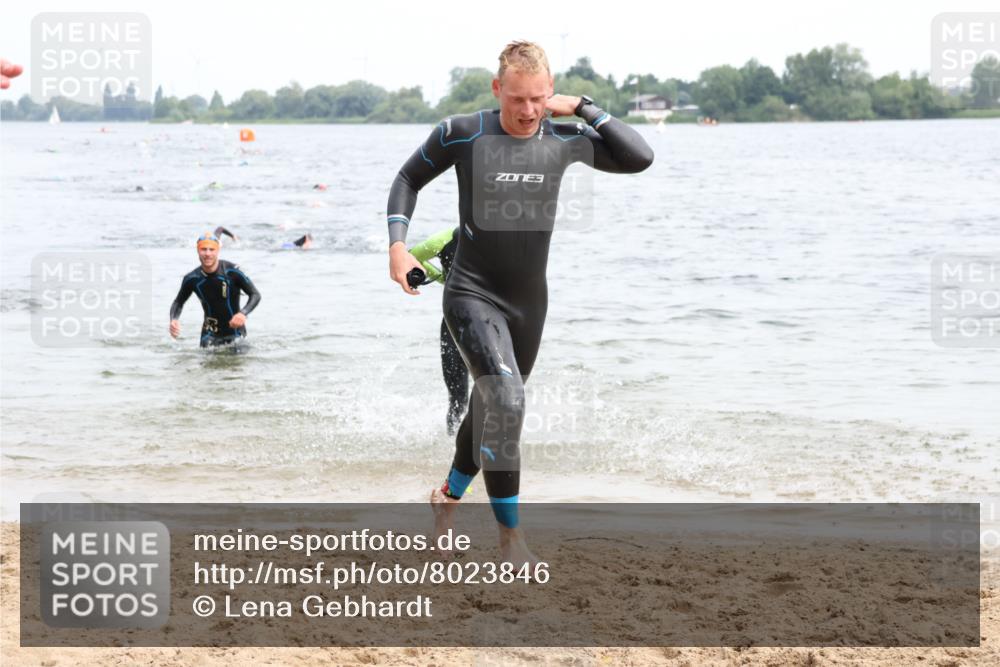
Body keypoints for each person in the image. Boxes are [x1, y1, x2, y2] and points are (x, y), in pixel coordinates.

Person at [385, 41, 653, 564]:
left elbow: (638, 157)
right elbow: (406, 179)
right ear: (496, 89)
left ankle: (446, 498)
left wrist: (584, 107)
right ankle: (511, 538)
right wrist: (398, 244)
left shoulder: (566, 136)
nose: (527, 111)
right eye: (516, 100)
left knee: (491, 407)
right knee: (507, 401)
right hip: (470, 293)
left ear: (551, 94)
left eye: (538, 99)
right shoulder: (464, 133)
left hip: (530, 303)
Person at [409, 227, 467, 434]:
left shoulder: (446, 237)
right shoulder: (499, 238)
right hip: (488, 319)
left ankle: (457, 445)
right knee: (485, 390)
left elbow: (412, 256)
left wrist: (443, 277)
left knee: (458, 397)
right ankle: (463, 443)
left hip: (454, 320)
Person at [169, 231, 261, 347]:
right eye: (203, 249)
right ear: (198, 250)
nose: (207, 254)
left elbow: (255, 294)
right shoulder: (192, 278)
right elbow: (178, 302)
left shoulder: (232, 271)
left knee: (238, 365)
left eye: (211, 249)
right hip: (209, 334)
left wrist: (243, 313)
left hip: (236, 332)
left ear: (218, 251)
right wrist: (174, 319)